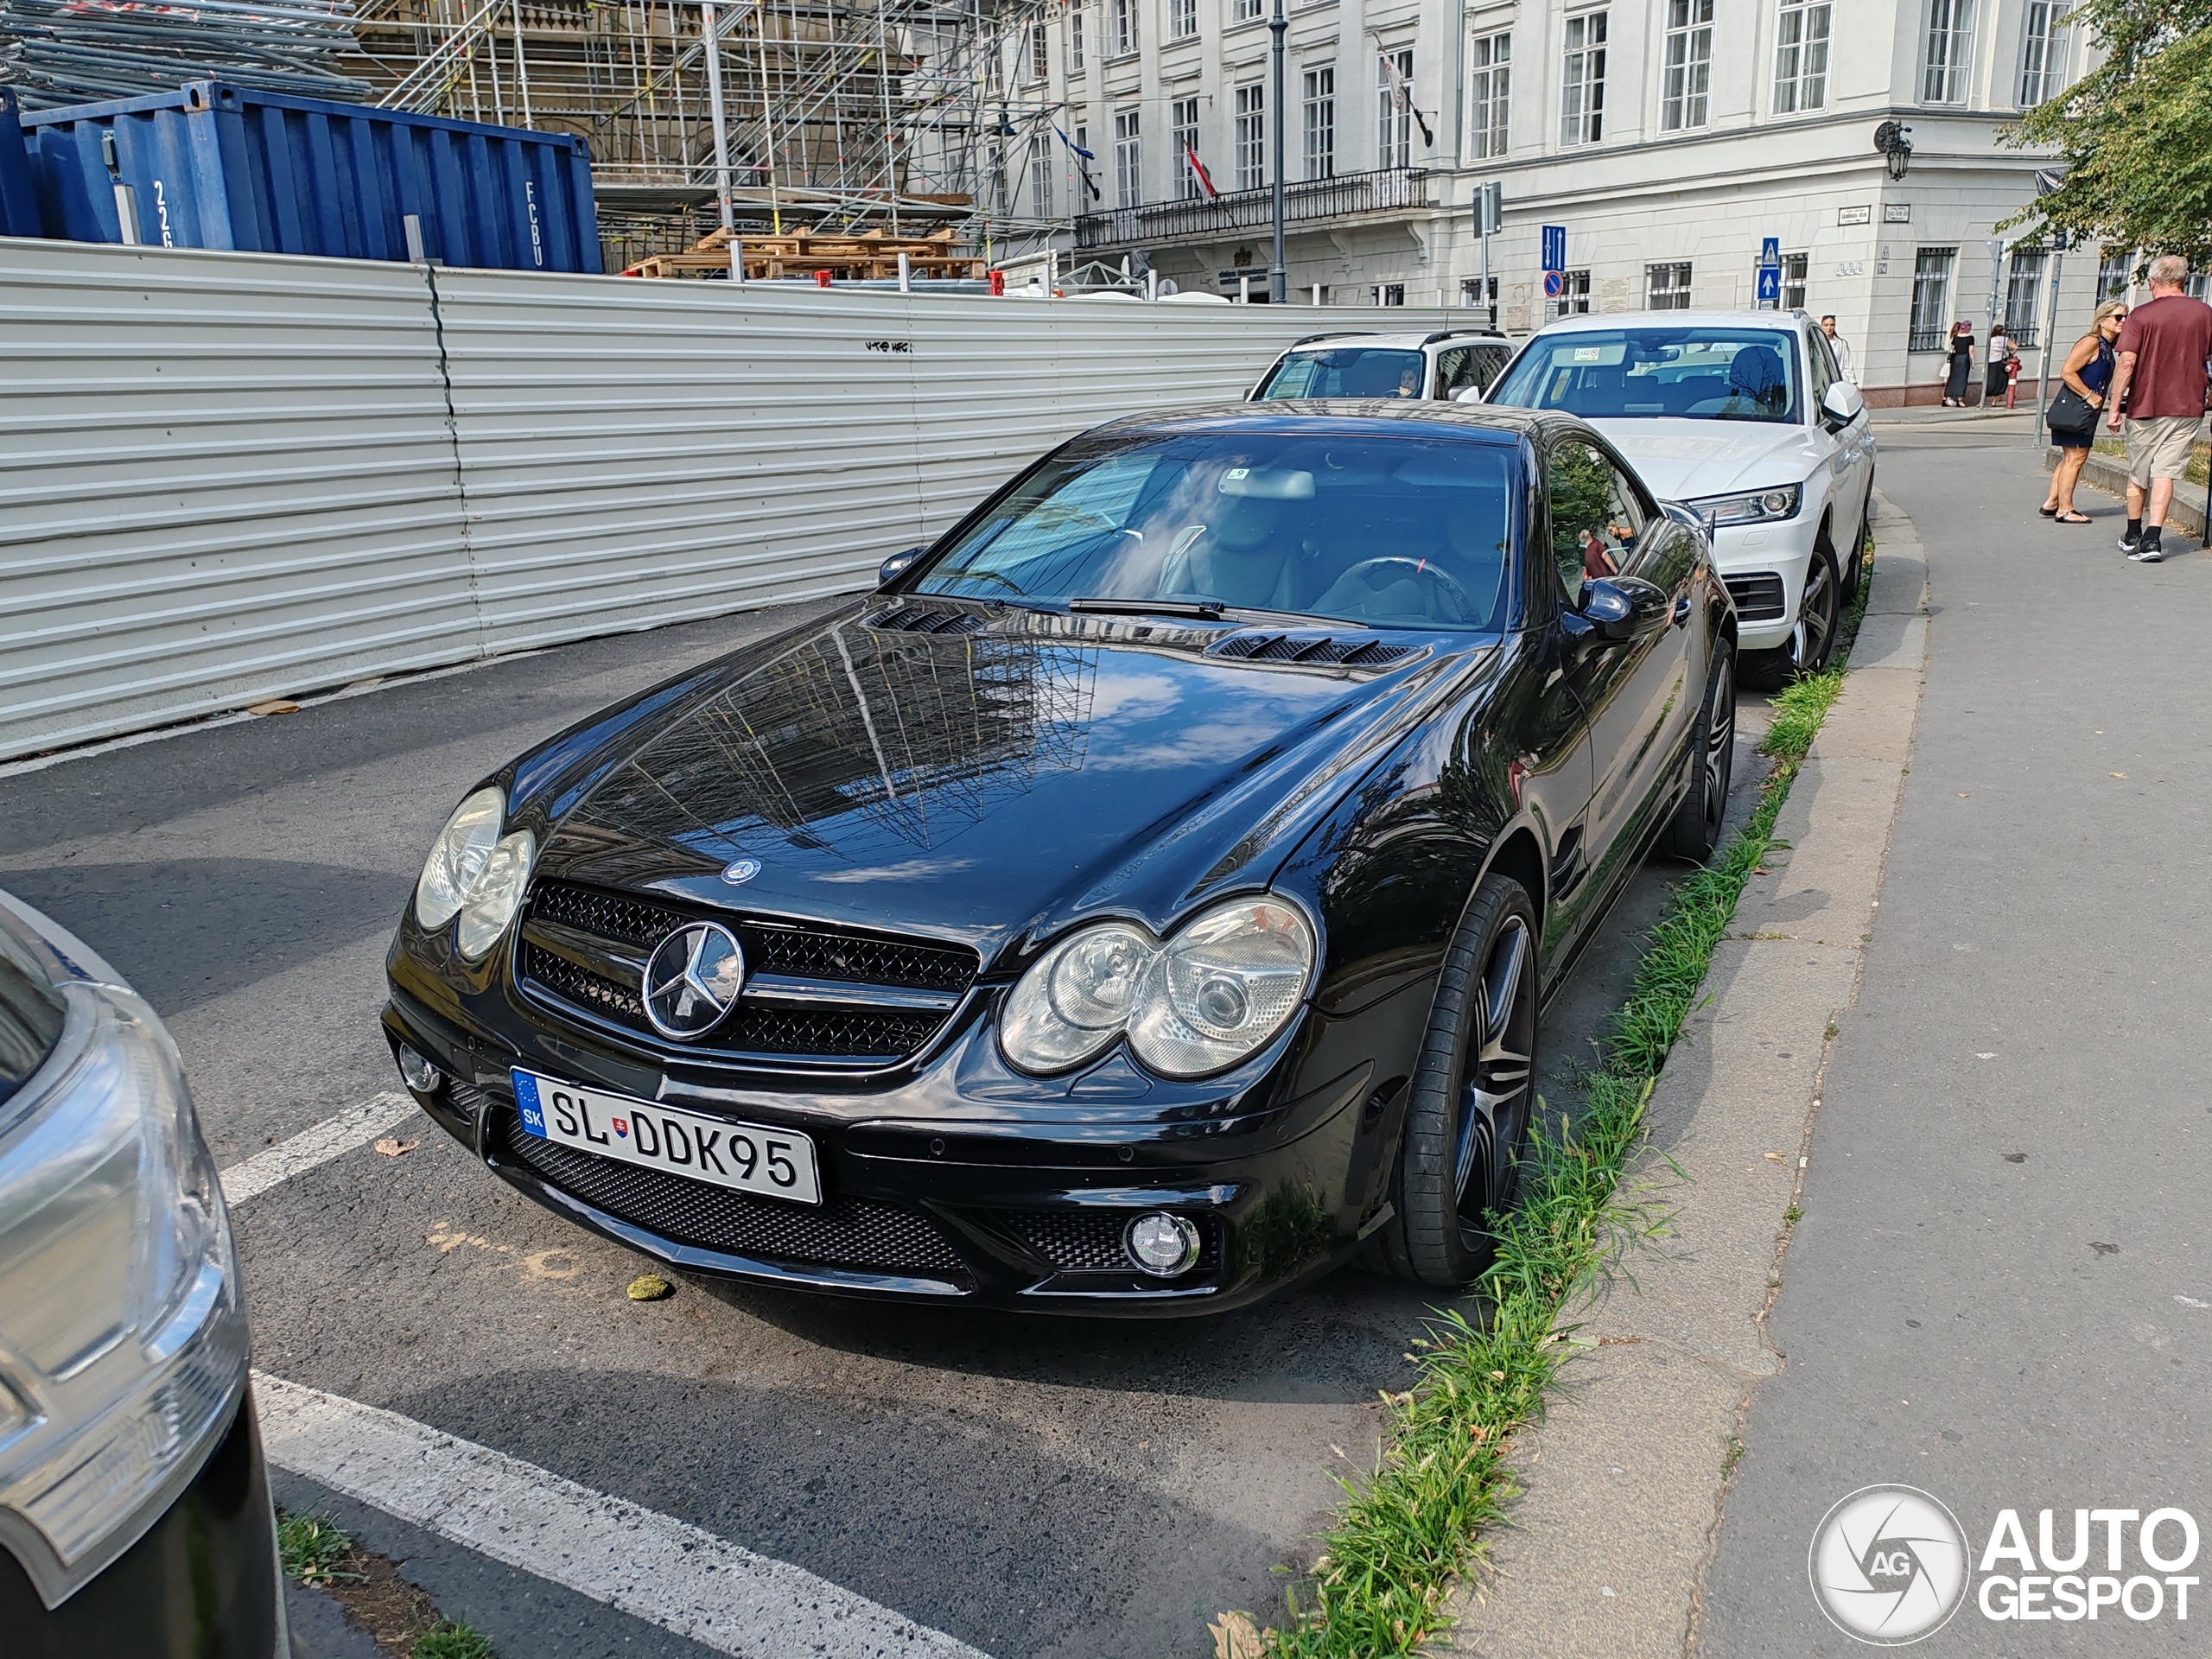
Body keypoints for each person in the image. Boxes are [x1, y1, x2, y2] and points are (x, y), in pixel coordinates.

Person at [2105, 254, 2212, 562]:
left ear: (2153, 282)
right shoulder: (2205, 313)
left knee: (2139, 472)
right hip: (2189, 406)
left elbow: (2126, 362)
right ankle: (2153, 539)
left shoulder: (2141, 315)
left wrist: (2115, 407)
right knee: (2166, 471)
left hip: (2146, 406)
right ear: (2183, 281)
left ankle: (2133, 533)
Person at [2041, 300, 2126, 524]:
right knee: (2076, 457)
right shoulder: (2092, 342)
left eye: (2125, 316)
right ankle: (2065, 509)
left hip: (2085, 410)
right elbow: (2067, 371)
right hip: (2078, 408)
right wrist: (2090, 396)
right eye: (2118, 317)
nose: (2123, 321)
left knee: (2071, 456)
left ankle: (2052, 502)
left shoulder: (2107, 345)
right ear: (2102, 320)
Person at [1942, 321, 1976, 406]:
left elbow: (1952, 347)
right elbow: (1971, 350)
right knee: (1962, 379)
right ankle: (1960, 400)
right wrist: (1973, 362)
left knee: (1953, 377)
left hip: (1955, 358)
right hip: (1964, 359)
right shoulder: (1970, 338)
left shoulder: (1956, 337)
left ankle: (1947, 396)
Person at [1986, 324, 2020, 404]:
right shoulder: (2005, 339)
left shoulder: (1991, 339)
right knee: (1999, 382)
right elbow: (2016, 347)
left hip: (1991, 361)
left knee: (1990, 381)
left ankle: (1984, 399)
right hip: (2001, 361)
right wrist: (2010, 354)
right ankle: (1994, 401)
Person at [1821, 315, 1857, 384]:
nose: (1829, 328)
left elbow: (1847, 364)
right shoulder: (1816, 341)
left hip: (1836, 381)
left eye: (1832, 325)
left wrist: (1852, 380)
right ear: (1821, 326)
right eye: (1826, 325)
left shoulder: (1842, 344)